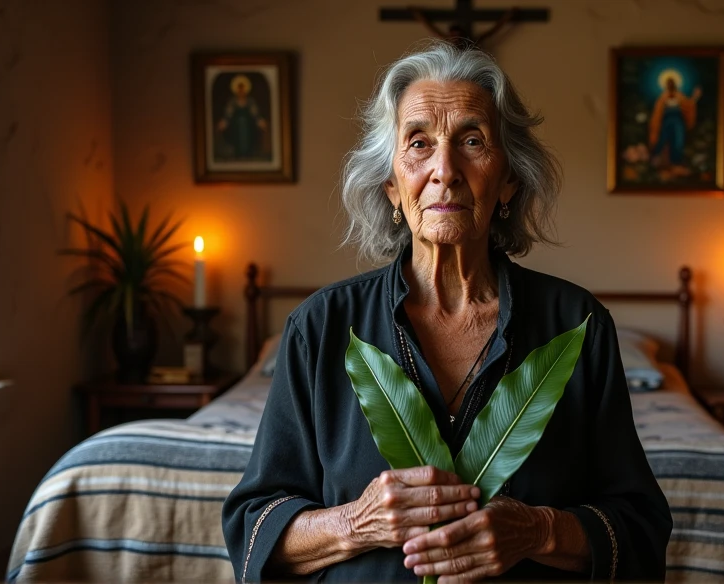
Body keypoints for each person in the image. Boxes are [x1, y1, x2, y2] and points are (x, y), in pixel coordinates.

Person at [222, 42, 672, 583]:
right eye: (418, 144)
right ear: (391, 186)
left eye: (473, 141)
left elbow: (640, 528)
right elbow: (252, 527)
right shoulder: (319, 327)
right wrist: (357, 523)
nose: (445, 170)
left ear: (508, 180)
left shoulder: (576, 324)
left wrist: (538, 530)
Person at [648, 76, 701, 172]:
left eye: (672, 83)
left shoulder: (679, 96)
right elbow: (657, 113)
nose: (670, 85)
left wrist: (695, 96)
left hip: (677, 122)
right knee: (661, 139)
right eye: (669, 83)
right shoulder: (663, 97)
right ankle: (656, 159)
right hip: (666, 122)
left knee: (678, 141)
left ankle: (676, 162)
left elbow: (689, 105)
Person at [216, 74, 268, 160]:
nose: (241, 91)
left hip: (248, 127)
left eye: (242, 89)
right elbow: (228, 115)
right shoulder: (232, 102)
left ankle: (248, 154)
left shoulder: (250, 101)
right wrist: (223, 123)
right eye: (239, 89)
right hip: (236, 127)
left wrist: (260, 122)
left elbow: (255, 115)